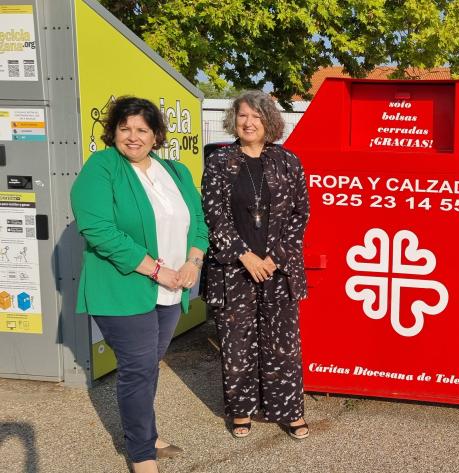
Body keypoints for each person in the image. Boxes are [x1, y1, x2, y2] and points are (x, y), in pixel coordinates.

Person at [71, 96, 208, 473]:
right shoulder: (102, 167)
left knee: (149, 365)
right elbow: (98, 229)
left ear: (156, 135)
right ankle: (142, 454)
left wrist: (194, 261)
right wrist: (157, 269)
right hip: (122, 289)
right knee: (138, 367)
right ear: (113, 132)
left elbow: (199, 222)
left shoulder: (176, 172)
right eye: (124, 128)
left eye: (142, 130)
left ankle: (145, 432)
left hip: (172, 289)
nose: (133, 137)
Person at [202, 90, 310, 440]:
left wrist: (274, 257)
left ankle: (289, 410)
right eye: (243, 115)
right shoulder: (220, 161)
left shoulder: (288, 161)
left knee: (283, 345)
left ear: (269, 122)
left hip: (278, 269)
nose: (249, 122)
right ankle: (241, 411)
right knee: (236, 343)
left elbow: (300, 214)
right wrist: (244, 255)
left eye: (256, 116)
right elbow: (213, 214)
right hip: (234, 269)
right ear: (234, 119)